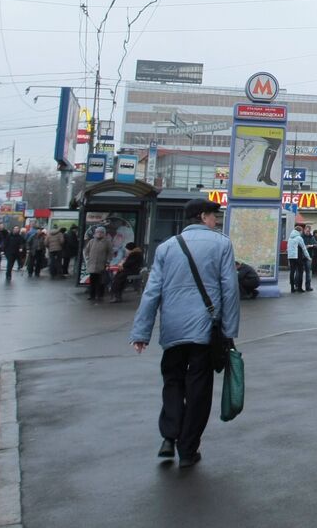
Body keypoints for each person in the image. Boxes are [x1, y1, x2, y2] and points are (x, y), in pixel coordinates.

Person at [130, 199, 240, 468]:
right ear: (202, 216)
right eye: (214, 216)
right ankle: (188, 450)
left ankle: (169, 436)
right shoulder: (222, 244)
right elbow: (230, 290)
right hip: (205, 331)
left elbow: (152, 292)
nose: (216, 221)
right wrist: (229, 331)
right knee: (198, 390)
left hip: (172, 330)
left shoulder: (167, 247)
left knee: (172, 380)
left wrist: (141, 331)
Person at [83, 226, 112, 302]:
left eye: (101, 232)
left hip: (102, 265)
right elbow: (86, 250)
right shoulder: (91, 241)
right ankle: (91, 295)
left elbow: (110, 253)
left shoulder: (107, 242)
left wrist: (108, 261)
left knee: (101, 281)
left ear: (104, 233)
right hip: (92, 264)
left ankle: (100, 295)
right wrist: (87, 258)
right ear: (95, 233)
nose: (99, 234)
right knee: (92, 281)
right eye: (97, 232)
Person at [286, 226, 310, 293]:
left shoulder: (290, 238)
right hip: (297, 256)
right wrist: (308, 257)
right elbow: (304, 248)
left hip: (291, 257)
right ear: (300, 231)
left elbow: (287, 248)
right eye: (301, 231)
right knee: (300, 271)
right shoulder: (299, 238)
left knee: (292, 272)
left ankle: (292, 288)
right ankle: (299, 288)